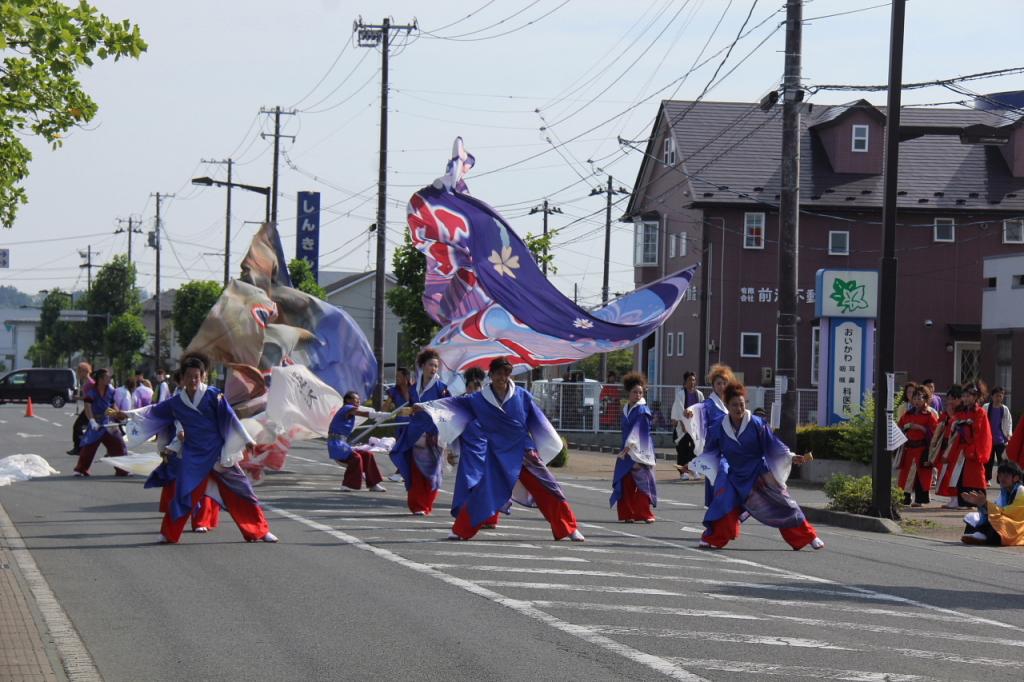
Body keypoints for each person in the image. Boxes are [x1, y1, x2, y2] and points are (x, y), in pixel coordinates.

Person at [411, 357, 584, 542]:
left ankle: (569, 528)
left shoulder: (522, 395)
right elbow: (451, 404)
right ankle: (461, 530)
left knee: (549, 488)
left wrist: (546, 443)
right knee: (483, 492)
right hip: (497, 454)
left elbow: (538, 421)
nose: (502, 377)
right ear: (491, 375)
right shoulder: (478, 400)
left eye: (506, 373)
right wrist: (424, 407)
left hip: (524, 451)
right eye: (498, 373)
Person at [114, 355, 277, 544]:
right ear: (182, 378)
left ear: (203, 377)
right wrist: (126, 414)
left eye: (197, 377)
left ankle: (259, 530)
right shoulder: (176, 403)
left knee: (242, 491)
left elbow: (231, 419)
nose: (193, 380)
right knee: (183, 494)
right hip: (193, 456)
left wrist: (246, 439)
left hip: (217, 453)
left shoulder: (213, 395)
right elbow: (152, 411)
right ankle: (168, 534)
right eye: (189, 376)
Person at [695, 382, 822, 551]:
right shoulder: (719, 427)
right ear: (727, 406)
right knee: (724, 504)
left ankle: (809, 536)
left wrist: (791, 457)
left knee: (784, 504)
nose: (739, 408)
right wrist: (697, 465)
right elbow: (710, 451)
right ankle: (713, 537)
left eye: (741, 404)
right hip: (735, 476)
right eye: (734, 405)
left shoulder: (757, 423)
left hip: (760, 475)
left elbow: (773, 446)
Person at [389, 349, 450, 515]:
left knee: (432, 472)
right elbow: (411, 406)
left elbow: (446, 409)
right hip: (415, 433)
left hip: (433, 434)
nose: (434, 369)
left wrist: (425, 408)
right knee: (416, 471)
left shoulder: (441, 388)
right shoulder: (414, 387)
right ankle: (417, 505)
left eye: (436, 366)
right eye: (431, 365)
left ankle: (426, 504)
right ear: (423, 365)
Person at [447, 368, 502, 534]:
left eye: (477, 387)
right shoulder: (461, 404)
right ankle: (468, 517)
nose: (474, 390)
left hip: (486, 451)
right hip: (468, 452)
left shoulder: (490, 404)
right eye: (471, 387)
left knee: (488, 485)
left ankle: (490, 518)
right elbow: (453, 429)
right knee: (468, 486)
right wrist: (452, 450)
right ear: (466, 387)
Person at [610, 372, 657, 523]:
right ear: (628, 393)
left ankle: (643, 513)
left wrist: (629, 446)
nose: (638, 395)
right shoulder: (626, 409)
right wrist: (626, 447)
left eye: (640, 392)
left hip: (640, 451)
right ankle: (626, 513)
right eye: (635, 392)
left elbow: (639, 430)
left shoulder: (643, 410)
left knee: (643, 483)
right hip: (626, 450)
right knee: (625, 482)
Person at [327, 391, 388, 492]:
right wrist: (381, 414)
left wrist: (380, 416)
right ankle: (346, 484)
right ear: (348, 400)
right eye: (356, 400)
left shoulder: (349, 412)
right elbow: (362, 413)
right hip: (336, 444)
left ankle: (373, 484)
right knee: (356, 458)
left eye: (359, 400)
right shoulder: (346, 408)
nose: (358, 401)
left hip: (343, 443)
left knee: (368, 455)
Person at [72, 369, 129, 477]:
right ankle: (80, 469)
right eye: (107, 377)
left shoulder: (111, 391)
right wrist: (92, 421)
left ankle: (123, 469)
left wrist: (118, 414)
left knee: (119, 446)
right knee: (89, 447)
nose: (110, 379)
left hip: (109, 423)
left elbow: (111, 407)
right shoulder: (91, 392)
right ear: (101, 379)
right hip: (96, 423)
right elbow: (88, 408)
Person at [960, 461, 1024, 546]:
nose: (1002, 478)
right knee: (974, 516)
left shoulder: (1021, 491)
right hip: (1010, 522)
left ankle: (983, 536)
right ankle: (980, 535)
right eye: (1000, 475)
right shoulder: (1004, 491)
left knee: (999, 520)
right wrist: (981, 504)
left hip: (1019, 527)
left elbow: (1012, 513)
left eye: (1006, 476)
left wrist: (985, 504)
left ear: (1015, 478)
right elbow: (997, 507)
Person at [950, 382, 993, 509]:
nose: (966, 398)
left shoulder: (980, 412)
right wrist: (957, 425)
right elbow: (953, 424)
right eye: (965, 396)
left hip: (973, 448)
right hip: (961, 449)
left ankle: (979, 502)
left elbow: (981, 432)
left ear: (976, 397)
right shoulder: (961, 411)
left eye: (970, 396)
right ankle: (963, 501)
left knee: (976, 476)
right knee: (960, 475)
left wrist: (966, 426)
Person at [897, 386, 940, 506]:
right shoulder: (908, 414)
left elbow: (935, 433)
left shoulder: (929, 415)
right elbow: (900, 426)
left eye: (919, 398)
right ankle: (905, 498)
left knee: (921, 475)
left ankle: (920, 500)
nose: (916, 401)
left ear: (926, 399)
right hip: (909, 449)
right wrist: (905, 428)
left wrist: (920, 428)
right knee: (906, 475)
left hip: (922, 449)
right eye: (914, 398)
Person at [931, 385, 963, 508]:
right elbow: (939, 425)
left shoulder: (961, 412)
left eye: (953, 399)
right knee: (946, 474)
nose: (950, 402)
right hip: (946, 447)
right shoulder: (946, 412)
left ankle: (956, 499)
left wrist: (951, 417)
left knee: (954, 474)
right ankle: (953, 499)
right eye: (949, 399)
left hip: (956, 448)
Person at [381, 367, 414, 482]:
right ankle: (402, 471)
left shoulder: (414, 389)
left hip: (413, 423)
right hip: (401, 423)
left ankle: (402, 472)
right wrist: (383, 411)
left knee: (411, 449)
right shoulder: (393, 391)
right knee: (400, 449)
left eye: (399, 376)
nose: (397, 379)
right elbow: (385, 408)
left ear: (406, 377)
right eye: (396, 377)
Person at [671, 372, 705, 481]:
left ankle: (694, 469)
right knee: (682, 449)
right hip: (683, 427)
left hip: (695, 426)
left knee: (695, 449)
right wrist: (683, 425)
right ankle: (683, 472)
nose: (692, 382)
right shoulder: (680, 394)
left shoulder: (699, 394)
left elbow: (702, 410)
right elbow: (679, 410)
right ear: (685, 382)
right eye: (690, 380)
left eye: (694, 380)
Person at [983, 386, 1012, 483]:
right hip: (988, 439)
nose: (999, 398)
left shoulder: (1004, 409)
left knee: (1002, 462)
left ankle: (1001, 479)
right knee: (988, 461)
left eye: (1001, 396)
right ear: (992, 396)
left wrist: (1009, 434)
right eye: (997, 396)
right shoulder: (986, 407)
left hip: (1000, 439)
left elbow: (1008, 422)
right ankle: (987, 479)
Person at [67, 361, 95, 456]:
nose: (78, 374)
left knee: (77, 427)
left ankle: (78, 448)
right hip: (90, 408)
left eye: (79, 371)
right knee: (83, 428)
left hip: (91, 409)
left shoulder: (89, 384)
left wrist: (77, 398)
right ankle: (81, 447)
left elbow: (90, 399)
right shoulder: (89, 383)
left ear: (84, 371)